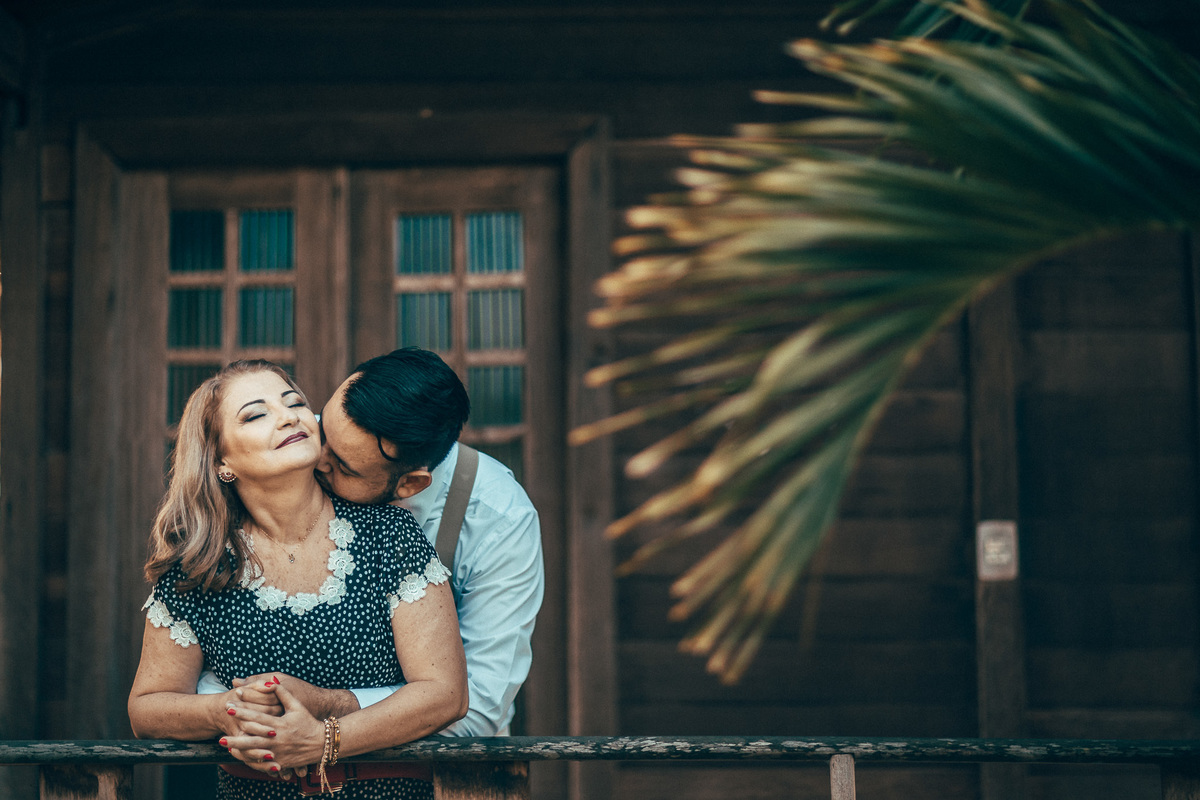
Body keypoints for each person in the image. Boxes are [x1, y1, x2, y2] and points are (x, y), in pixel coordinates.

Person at [129, 359, 467, 799]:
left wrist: (325, 740)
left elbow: (445, 695)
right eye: (256, 413)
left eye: (295, 403)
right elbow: (146, 708)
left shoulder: (390, 535)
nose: (288, 415)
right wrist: (222, 711)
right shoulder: (198, 563)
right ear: (221, 460)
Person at [209, 348, 544, 738]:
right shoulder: (299, 443)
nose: (316, 461)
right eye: (324, 432)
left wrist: (327, 712)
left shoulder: (500, 520)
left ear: (409, 485)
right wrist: (246, 706)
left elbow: (477, 711)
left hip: (445, 778)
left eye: (342, 467)